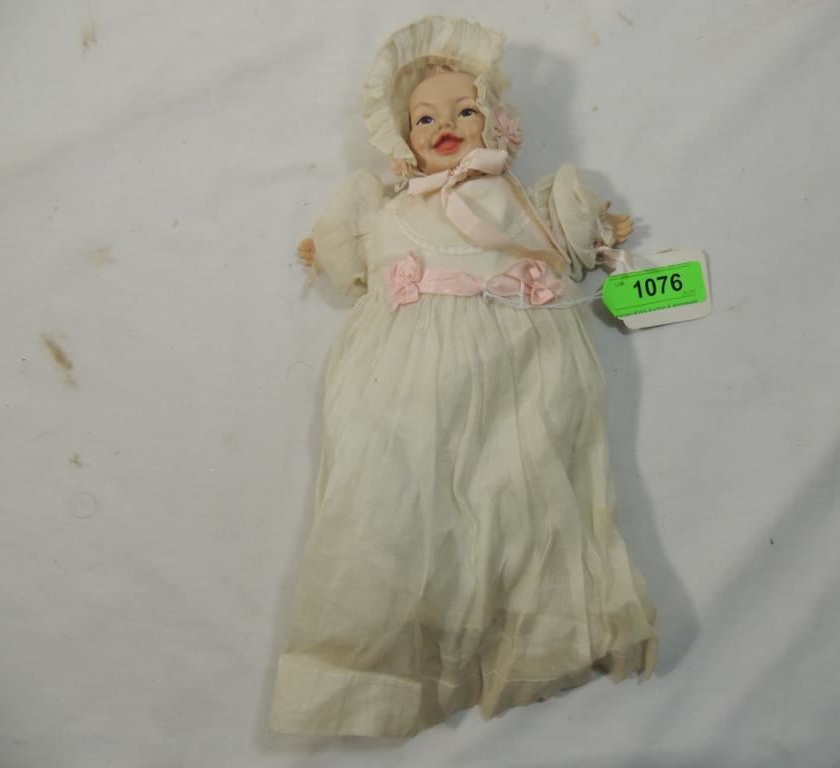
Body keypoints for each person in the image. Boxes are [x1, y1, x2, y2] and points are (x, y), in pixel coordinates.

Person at [270, 16, 656, 738]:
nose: (445, 124)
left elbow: (570, 242)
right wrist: (330, 251)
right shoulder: (384, 209)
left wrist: (597, 230)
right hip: (408, 370)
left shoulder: (526, 199)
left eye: (465, 109)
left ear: (497, 120)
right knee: (388, 490)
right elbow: (351, 260)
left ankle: (530, 634)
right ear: (402, 137)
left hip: (521, 359)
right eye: (425, 117)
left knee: (522, 488)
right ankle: (383, 662)